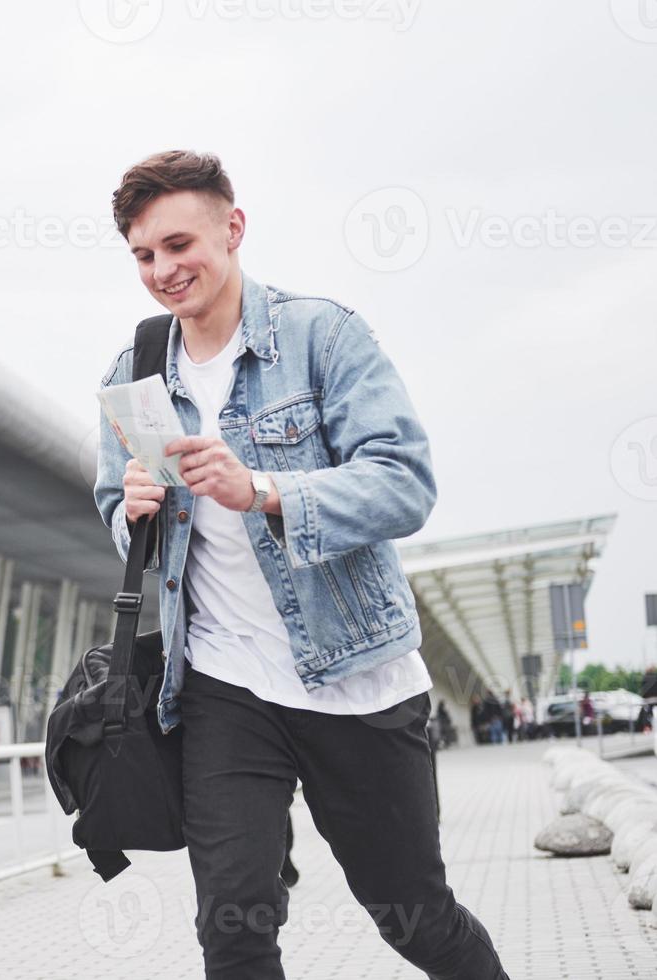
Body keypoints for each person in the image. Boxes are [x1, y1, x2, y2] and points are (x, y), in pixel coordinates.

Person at [94, 150, 508, 980]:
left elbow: (404, 482)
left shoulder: (321, 336)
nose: (164, 270)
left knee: (413, 916)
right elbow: (113, 503)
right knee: (235, 929)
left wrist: (268, 491)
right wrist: (131, 509)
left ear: (233, 228)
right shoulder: (133, 373)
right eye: (144, 255)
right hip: (223, 685)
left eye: (179, 245)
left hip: (357, 678)